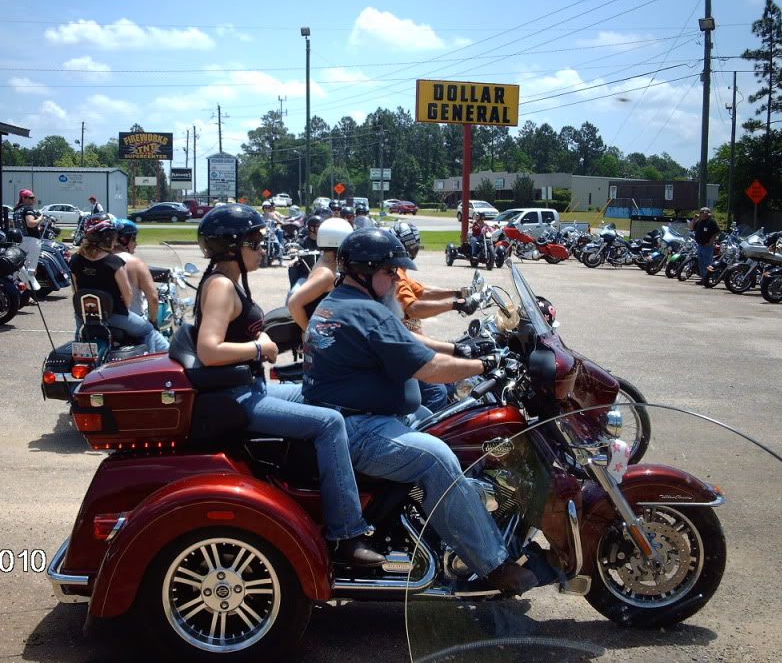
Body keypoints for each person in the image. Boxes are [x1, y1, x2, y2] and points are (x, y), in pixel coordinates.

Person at [302, 228, 541, 596]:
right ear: (366, 271)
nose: (398, 278)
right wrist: (486, 365)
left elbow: (405, 340)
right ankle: (494, 564)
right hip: (362, 429)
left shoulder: (341, 303)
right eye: (390, 271)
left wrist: (462, 350)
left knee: (457, 424)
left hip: (362, 419)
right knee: (437, 457)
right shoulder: (365, 311)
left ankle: (458, 518)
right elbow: (428, 370)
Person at [193, 204, 382, 566]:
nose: (263, 248)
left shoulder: (228, 280)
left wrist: (259, 336)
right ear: (233, 246)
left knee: (324, 393)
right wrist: (259, 346)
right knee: (329, 423)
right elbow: (209, 349)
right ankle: (346, 533)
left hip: (248, 388)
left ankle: (321, 485)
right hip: (238, 397)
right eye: (255, 241)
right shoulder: (220, 285)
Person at [390, 221, 478, 412]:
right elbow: (413, 308)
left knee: (449, 382)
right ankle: (428, 437)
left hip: (414, 344)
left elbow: (422, 291)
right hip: (406, 349)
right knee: (437, 392)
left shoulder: (398, 271)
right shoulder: (394, 274)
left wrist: (460, 293)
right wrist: (454, 304)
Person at [69, 218, 169, 353]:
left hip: (84, 317)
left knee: (80, 334)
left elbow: (76, 290)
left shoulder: (75, 259)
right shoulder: (113, 262)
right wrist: (124, 308)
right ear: (108, 238)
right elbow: (127, 294)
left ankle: (80, 349)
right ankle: (148, 364)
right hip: (114, 316)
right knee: (148, 330)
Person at [287, 218, 352, 330]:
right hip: (320, 337)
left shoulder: (327, 262)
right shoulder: (325, 273)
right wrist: (309, 332)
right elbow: (294, 304)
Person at [112, 219, 160, 328]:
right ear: (124, 240)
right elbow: (153, 298)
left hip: (106, 322)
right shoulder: (136, 263)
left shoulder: (102, 260)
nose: (136, 243)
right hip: (131, 323)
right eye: (133, 239)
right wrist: (152, 321)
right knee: (163, 345)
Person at [689, 207, 720, 285]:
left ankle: (709, 279)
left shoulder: (711, 222)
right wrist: (694, 219)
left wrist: (711, 241)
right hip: (700, 245)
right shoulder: (699, 222)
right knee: (701, 263)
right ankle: (704, 278)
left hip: (708, 246)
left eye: (704, 212)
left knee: (708, 263)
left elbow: (717, 232)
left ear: (708, 213)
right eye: (701, 212)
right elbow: (691, 228)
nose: (702, 213)